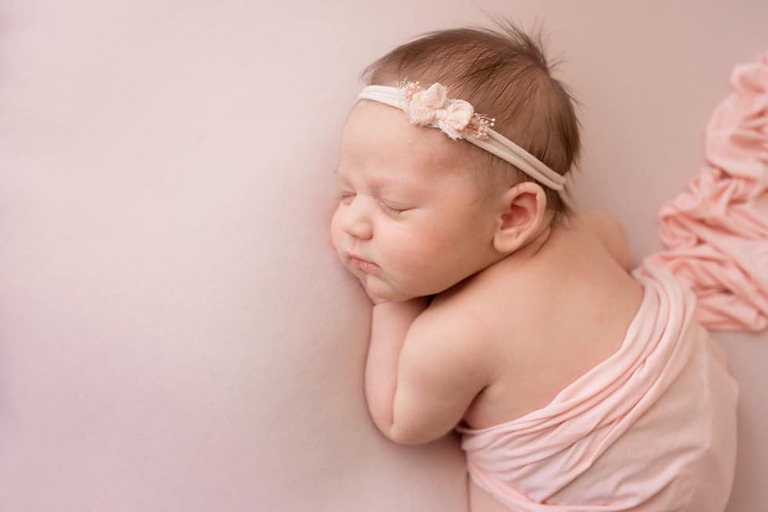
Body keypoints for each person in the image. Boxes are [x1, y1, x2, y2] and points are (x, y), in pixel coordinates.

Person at [329, 23, 737, 512]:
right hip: (698, 428)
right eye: (346, 193)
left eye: (393, 206)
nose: (353, 222)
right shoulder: (582, 231)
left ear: (514, 216)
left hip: (621, 485)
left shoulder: (452, 337)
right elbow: (620, 246)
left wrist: (389, 303)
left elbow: (402, 422)